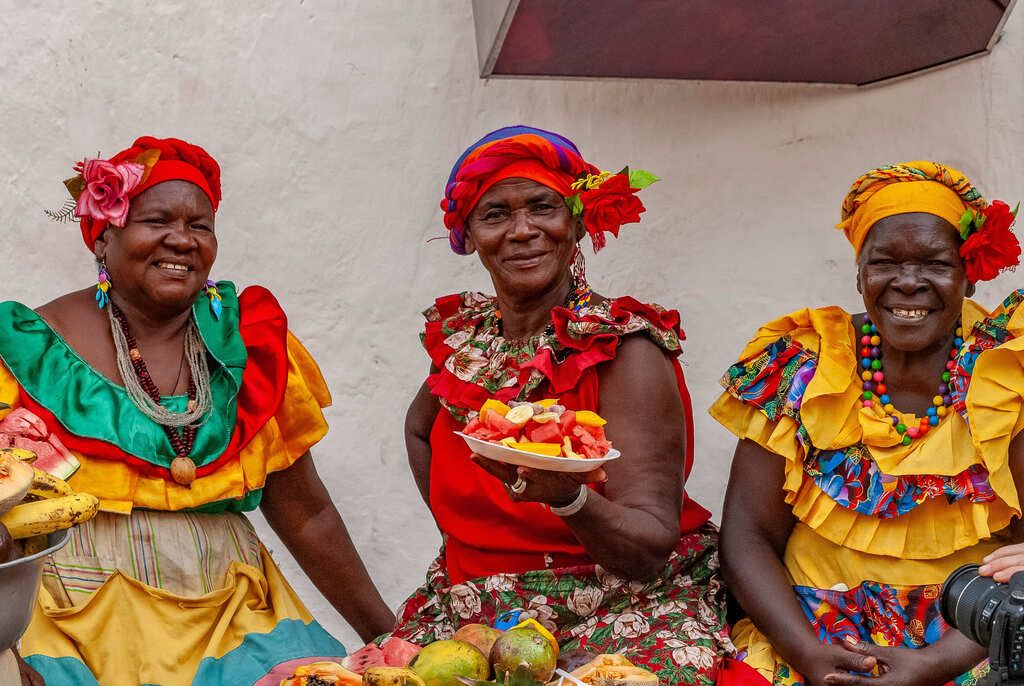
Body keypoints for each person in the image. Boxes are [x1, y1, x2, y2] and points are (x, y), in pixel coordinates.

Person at [5, 136, 394, 685]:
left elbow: (307, 514)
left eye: (200, 225)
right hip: (70, 625)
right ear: (103, 236)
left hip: (237, 622)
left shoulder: (251, 346)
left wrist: (390, 635)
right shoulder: (25, 352)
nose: (182, 240)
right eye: (157, 220)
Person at [394, 126, 731, 684]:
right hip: (476, 606)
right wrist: (474, 546)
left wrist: (568, 499)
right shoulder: (467, 342)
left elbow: (647, 547)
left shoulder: (624, 346)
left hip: (625, 607)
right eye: (495, 214)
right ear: (471, 237)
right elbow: (420, 432)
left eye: (542, 207)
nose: (522, 231)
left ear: (576, 221)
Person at [711, 161, 1024, 685]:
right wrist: (808, 655)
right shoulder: (804, 364)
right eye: (884, 262)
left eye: (935, 263)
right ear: (859, 273)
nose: (907, 282)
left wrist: (935, 663)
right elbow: (748, 538)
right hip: (808, 637)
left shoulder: (1006, 370)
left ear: (969, 276)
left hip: (971, 639)